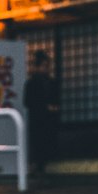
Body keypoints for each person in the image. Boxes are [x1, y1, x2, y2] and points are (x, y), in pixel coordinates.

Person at [23, 46, 59, 176]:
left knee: (46, 142)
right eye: (44, 65)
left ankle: (42, 166)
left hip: (49, 118)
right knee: (38, 143)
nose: (47, 68)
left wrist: (54, 106)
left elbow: (56, 97)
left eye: (47, 65)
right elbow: (27, 101)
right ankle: (38, 166)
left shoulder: (51, 82)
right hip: (38, 118)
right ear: (38, 66)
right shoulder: (32, 83)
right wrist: (44, 106)